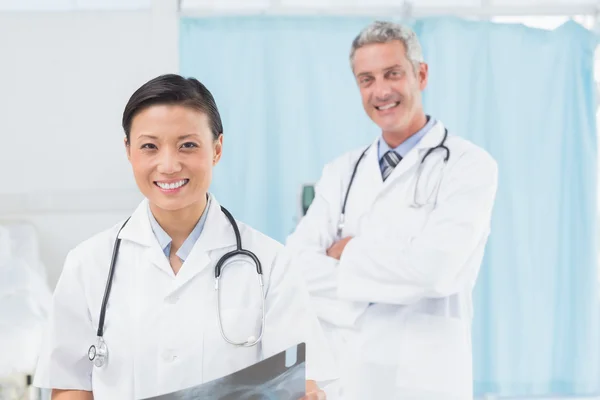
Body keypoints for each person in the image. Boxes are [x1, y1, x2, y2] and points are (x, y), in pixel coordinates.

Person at [33, 74, 335, 400]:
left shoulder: (270, 263)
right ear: (129, 151)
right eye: (150, 146)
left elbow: (300, 382)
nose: (169, 165)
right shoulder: (88, 264)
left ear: (217, 149)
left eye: (187, 145)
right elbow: (70, 386)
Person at [285, 21, 498, 400]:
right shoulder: (341, 172)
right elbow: (296, 266)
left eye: (392, 74)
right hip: (347, 377)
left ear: (421, 74)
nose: (380, 91)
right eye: (366, 79)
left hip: (425, 379)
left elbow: (435, 271)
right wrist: (398, 263)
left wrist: (345, 251)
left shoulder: (469, 165)